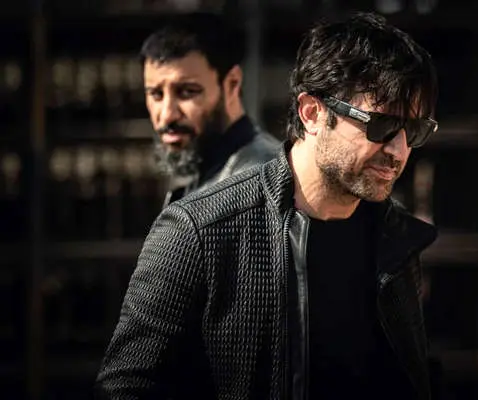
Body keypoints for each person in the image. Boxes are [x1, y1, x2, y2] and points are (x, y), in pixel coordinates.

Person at [96, 11, 439, 400]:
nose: (399, 150)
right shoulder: (197, 230)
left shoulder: (395, 238)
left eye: (414, 130)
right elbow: (124, 388)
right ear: (312, 113)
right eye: (381, 125)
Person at [141, 13, 280, 207]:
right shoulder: (210, 174)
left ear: (232, 84)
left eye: (187, 92)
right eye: (156, 94)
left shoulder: (261, 181)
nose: (167, 115)